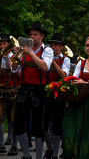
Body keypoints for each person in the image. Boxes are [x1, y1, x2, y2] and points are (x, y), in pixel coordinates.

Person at [12, 21, 53, 159]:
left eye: (35, 34)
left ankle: (39, 157)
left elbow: (45, 67)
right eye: (30, 34)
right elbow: (14, 69)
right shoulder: (23, 51)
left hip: (39, 90)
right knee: (17, 123)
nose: (32, 37)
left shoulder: (47, 50)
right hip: (23, 89)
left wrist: (29, 52)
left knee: (38, 126)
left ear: (42, 36)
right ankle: (27, 155)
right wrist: (14, 58)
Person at [0, 35, 21, 157]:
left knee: (14, 120)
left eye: (5, 44)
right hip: (1, 90)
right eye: (1, 44)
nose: (2, 46)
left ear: (10, 45)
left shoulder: (16, 58)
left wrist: (13, 68)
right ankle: (1, 146)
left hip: (14, 90)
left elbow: (21, 76)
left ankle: (14, 146)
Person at [43, 33, 70, 159]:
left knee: (57, 124)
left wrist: (53, 62)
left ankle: (54, 153)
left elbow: (64, 76)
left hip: (59, 94)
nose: (53, 47)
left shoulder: (66, 59)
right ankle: (49, 147)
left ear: (61, 46)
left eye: (56, 45)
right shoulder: (44, 57)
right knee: (43, 123)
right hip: (45, 92)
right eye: (51, 44)